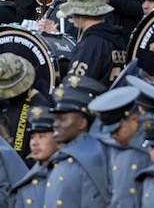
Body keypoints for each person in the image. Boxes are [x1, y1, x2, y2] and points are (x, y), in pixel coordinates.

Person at [43, 76, 111, 208]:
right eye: (55, 119)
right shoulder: (63, 156)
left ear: (82, 123)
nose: (55, 125)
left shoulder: (93, 158)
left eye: (62, 119)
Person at [61, 0, 125, 84]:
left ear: (79, 13)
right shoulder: (116, 38)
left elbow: (75, 86)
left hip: (96, 99)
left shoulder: (90, 45)